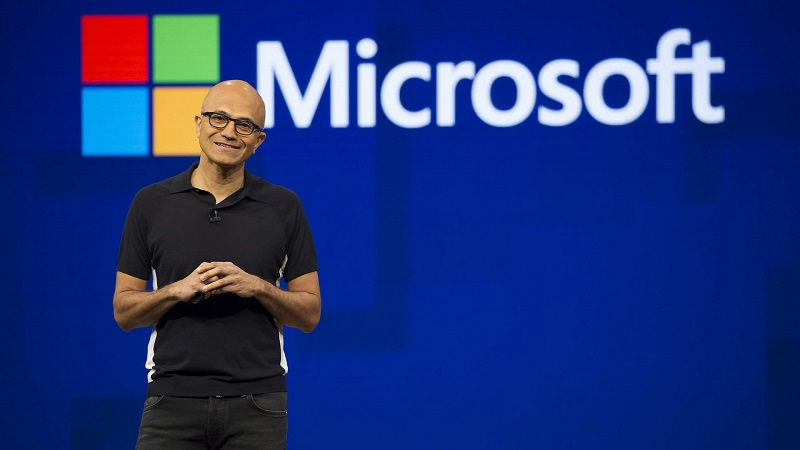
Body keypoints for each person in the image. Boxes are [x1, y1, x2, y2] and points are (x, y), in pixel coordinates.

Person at [113, 80, 321, 450]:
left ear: (258, 141)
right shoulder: (151, 203)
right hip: (170, 401)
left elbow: (309, 314)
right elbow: (124, 312)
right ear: (198, 124)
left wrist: (257, 287)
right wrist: (176, 291)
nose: (229, 131)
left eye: (244, 125)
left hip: (258, 405)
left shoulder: (283, 207)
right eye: (218, 118)